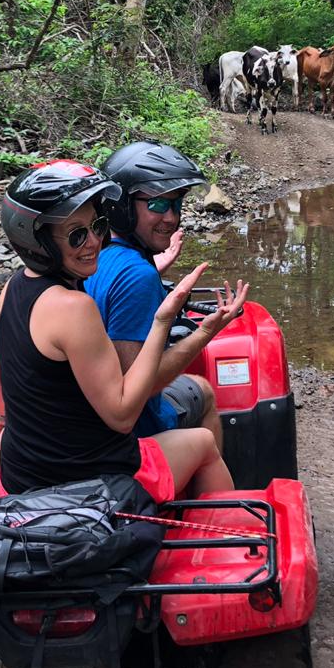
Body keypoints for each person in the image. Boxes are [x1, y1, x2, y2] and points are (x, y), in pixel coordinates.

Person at [0, 159, 245, 502]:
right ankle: (215, 542)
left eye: (98, 226)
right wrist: (163, 322)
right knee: (204, 444)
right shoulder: (74, 308)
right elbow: (121, 415)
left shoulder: (13, 287)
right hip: (88, 489)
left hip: (16, 478)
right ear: (37, 240)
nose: (94, 242)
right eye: (77, 235)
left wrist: (11, 427)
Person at [85, 141, 232, 445]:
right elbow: (140, 386)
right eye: (157, 205)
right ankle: (201, 489)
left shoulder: (92, 254)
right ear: (122, 206)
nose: (171, 217)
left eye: (176, 205)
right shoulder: (138, 275)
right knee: (202, 390)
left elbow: (112, 294)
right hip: (132, 433)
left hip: (88, 418)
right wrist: (206, 332)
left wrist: (155, 271)